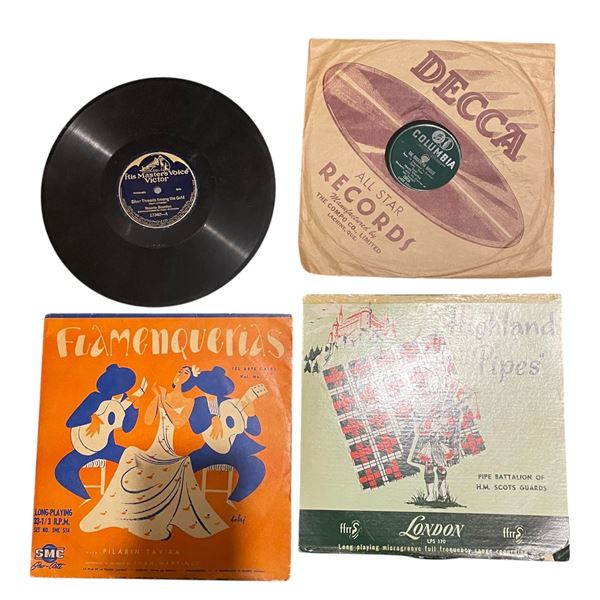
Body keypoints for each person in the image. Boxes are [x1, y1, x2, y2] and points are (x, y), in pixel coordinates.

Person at [55, 365, 142, 500]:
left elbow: (127, 428)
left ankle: (126, 498)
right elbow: (71, 422)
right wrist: (92, 418)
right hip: (85, 447)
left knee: (138, 462)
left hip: (108, 447)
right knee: (62, 471)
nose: (119, 391)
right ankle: (87, 499)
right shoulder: (95, 398)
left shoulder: (126, 401)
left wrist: (135, 408)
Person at [182, 366, 266, 506]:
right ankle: (183, 500)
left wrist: (251, 414)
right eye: (209, 386)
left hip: (236, 449)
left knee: (256, 467)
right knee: (186, 465)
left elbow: (255, 431)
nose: (211, 391)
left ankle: (234, 502)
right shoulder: (198, 403)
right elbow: (196, 428)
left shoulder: (230, 402)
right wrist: (213, 419)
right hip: (210, 448)